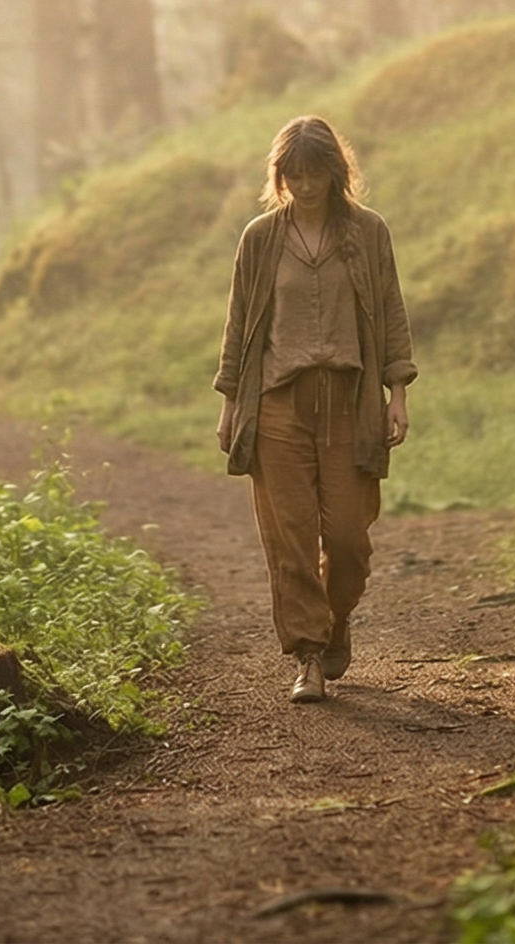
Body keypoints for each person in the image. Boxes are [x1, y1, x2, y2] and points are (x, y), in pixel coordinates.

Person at [212, 115, 415, 703]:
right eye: (294, 175)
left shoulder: (368, 232)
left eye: (315, 174)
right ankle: (308, 656)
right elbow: (239, 325)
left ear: (335, 172)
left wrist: (397, 393)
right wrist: (230, 405)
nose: (304, 186)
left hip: (349, 404)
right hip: (279, 406)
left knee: (349, 540)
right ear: (280, 176)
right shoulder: (260, 238)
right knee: (291, 541)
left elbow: (391, 311)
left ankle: (335, 618)